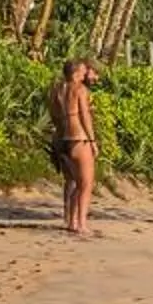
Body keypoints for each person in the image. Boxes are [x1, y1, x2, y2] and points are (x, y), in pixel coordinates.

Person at [47, 60, 99, 238]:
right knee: (86, 183)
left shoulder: (57, 90)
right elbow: (85, 116)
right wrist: (92, 140)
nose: (86, 73)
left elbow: (53, 115)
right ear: (76, 73)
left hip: (62, 139)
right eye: (84, 70)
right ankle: (81, 223)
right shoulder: (80, 90)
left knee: (72, 182)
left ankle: (70, 220)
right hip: (79, 138)